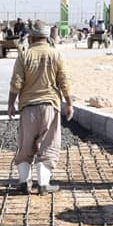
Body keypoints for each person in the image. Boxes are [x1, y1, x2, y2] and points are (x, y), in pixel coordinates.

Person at [8, 20, 73, 194]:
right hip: (50, 107)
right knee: (48, 144)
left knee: (26, 144)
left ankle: (24, 182)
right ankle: (43, 184)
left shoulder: (24, 55)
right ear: (46, 37)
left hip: (28, 108)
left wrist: (10, 104)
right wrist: (69, 103)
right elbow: (64, 81)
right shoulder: (56, 55)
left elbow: (16, 82)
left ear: (32, 37)